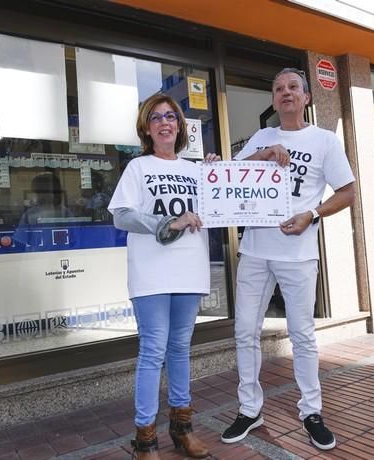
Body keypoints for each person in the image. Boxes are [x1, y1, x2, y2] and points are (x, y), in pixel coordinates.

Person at [220, 68, 356, 451]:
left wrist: (312, 214)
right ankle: (250, 409)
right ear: (274, 98)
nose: (285, 93)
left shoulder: (325, 141)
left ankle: (311, 412)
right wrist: (263, 154)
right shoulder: (262, 136)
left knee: (302, 335)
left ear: (307, 97)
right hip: (254, 252)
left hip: (298, 254)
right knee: (245, 331)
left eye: (293, 87)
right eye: (278, 88)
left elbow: (347, 192)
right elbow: (232, 177)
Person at [108, 93, 220, 460]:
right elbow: (121, 215)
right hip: (152, 273)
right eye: (156, 117)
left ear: (180, 125)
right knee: (153, 350)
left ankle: (182, 429)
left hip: (189, 268)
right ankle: (145, 439)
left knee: (180, 349)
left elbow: (218, 210)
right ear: (147, 128)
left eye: (171, 116)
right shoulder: (138, 167)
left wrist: (217, 178)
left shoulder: (195, 171)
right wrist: (167, 223)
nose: (165, 122)